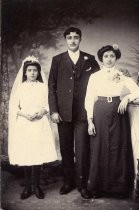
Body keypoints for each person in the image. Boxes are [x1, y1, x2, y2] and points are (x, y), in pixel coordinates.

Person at [85, 44, 139, 199]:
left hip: (118, 112)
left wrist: (126, 98)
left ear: (116, 58)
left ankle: (119, 189)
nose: (109, 59)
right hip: (100, 111)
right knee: (100, 148)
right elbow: (89, 99)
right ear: (101, 59)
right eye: (106, 56)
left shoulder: (121, 75)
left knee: (118, 147)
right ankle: (97, 187)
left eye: (112, 56)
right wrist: (90, 121)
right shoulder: (95, 76)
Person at [48, 27, 99, 199]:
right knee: (66, 148)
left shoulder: (90, 60)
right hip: (63, 113)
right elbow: (51, 87)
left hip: (83, 113)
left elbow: (99, 81)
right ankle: (68, 181)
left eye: (76, 37)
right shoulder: (57, 60)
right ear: (65, 40)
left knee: (83, 149)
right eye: (69, 37)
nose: (72, 40)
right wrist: (54, 110)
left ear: (80, 39)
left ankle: (82, 183)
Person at [8, 56, 58, 200]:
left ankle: (36, 186)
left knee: (37, 155)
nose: (32, 73)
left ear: (38, 72)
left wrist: (42, 112)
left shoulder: (43, 87)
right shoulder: (20, 88)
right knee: (26, 155)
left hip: (39, 123)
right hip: (24, 124)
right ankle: (28, 186)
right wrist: (24, 114)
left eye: (35, 70)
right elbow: (14, 107)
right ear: (25, 72)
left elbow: (49, 105)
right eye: (29, 70)